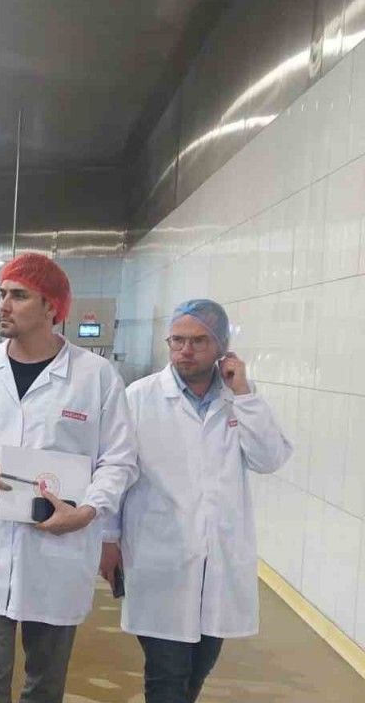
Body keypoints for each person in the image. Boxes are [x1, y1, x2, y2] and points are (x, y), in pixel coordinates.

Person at [0, 253, 138, 703]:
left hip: (57, 550)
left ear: (52, 306)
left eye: (19, 295)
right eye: (2, 294)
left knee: (45, 684)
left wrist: (88, 512)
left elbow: (120, 459)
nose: (3, 305)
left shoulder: (95, 377)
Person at [101, 300, 291, 703]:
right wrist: (107, 537)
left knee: (196, 671)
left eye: (199, 341)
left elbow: (269, 459)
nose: (185, 350)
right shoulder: (139, 398)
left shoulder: (239, 398)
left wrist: (244, 394)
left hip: (219, 562)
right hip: (159, 558)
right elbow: (116, 471)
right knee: (167, 676)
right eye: (177, 340)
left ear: (221, 346)